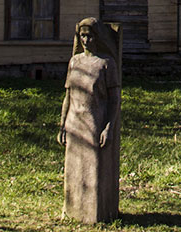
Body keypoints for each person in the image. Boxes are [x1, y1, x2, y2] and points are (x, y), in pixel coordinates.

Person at [58, 17, 121, 223]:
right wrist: (62, 125)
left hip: (95, 122)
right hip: (74, 123)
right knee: (73, 169)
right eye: (82, 36)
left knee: (93, 169)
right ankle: (73, 209)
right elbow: (68, 95)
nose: (86, 40)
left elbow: (114, 100)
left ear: (98, 37)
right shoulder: (75, 62)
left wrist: (109, 127)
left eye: (90, 36)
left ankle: (94, 212)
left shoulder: (106, 64)